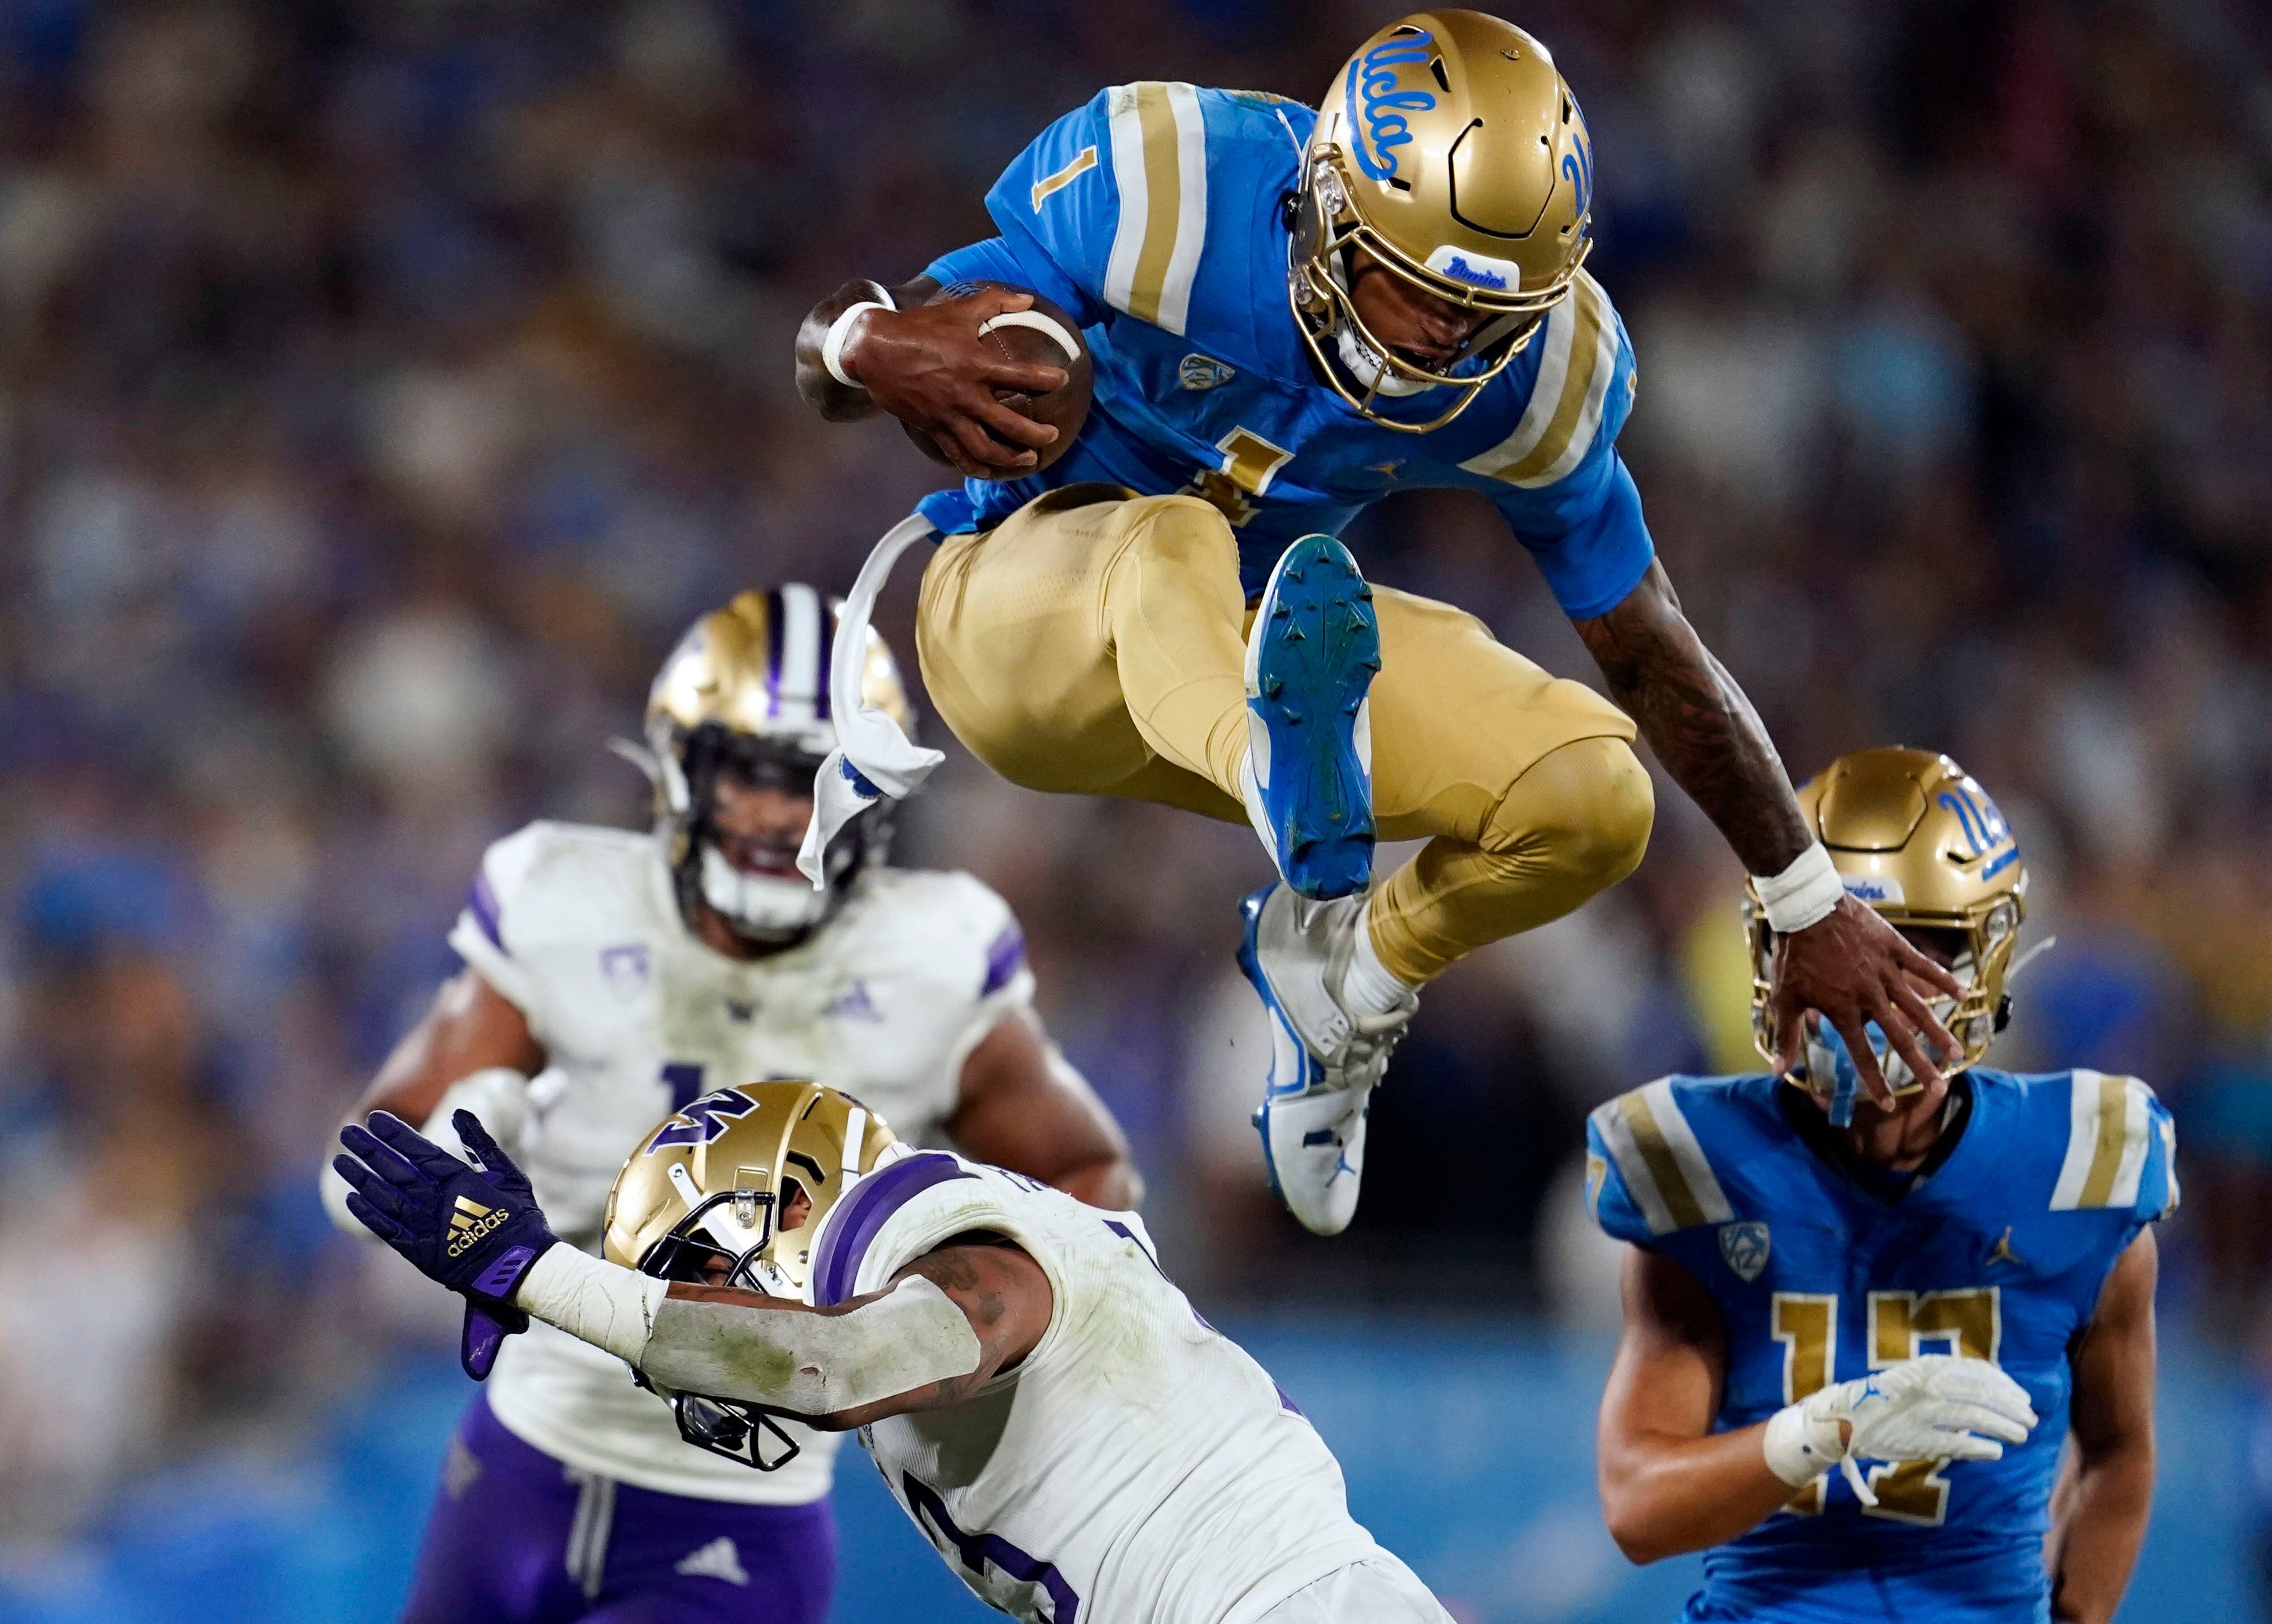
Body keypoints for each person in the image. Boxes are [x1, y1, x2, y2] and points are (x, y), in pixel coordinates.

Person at [788, 9, 1958, 1237]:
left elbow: (1647, 643)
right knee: (1171, 536)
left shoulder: (1537, 373)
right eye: (1409, 283)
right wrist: (869, 344)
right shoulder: (1172, 187)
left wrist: (1805, 895)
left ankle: (1345, 979)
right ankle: (1286, 783)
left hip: (1256, 641)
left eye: (1479, 308)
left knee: (1592, 797)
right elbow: (855, 335)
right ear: (1324, 204)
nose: (1441, 334)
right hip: (1025, 629)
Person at [319, 585, 1139, 1624]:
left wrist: (938, 1316)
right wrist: (471, 1130)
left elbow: (1083, 1179)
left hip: (740, 1503)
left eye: (822, 782)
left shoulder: (932, 954)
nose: (784, 815)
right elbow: (361, 1168)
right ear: (679, 768)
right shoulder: (564, 898)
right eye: (754, 775)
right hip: (518, 1455)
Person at [333, 1080, 1457, 1624]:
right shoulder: (938, 1244)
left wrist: (539, 1274)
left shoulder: (895, 1214)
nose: (687, 1324)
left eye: (691, 1272)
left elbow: (837, 1361)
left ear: (784, 1198)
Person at [1589, 747, 2168, 1624]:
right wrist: (1825, 1431)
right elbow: (1636, 1504)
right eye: (1820, 950)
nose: (1854, 989)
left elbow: (2118, 1453)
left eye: (1903, 953)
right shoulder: (1705, 1166)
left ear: (1981, 964)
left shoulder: (2079, 1168)